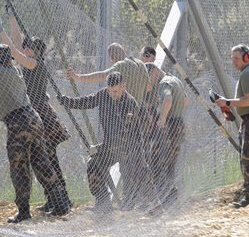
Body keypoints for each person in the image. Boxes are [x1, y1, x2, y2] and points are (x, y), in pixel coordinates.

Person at [0, 24, 71, 222]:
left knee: (19, 168)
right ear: (9, 60)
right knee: (41, 162)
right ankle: (61, 203)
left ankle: (24, 212)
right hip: (34, 119)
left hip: (18, 123)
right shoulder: (13, 71)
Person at [0, 11, 72, 214]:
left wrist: (1, 30)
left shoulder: (35, 64)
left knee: (48, 159)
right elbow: (18, 44)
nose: (25, 48)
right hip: (36, 116)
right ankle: (54, 199)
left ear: (36, 52)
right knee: (45, 158)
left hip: (42, 117)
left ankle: (61, 199)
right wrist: (12, 19)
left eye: (29, 47)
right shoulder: (30, 60)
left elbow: (15, 48)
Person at [58, 72, 146, 212]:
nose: (113, 94)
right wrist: (68, 101)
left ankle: (130, 205)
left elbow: (123, 136)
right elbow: (87, 101)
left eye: (116, 91)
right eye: (111, 91)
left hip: (130, 148)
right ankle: (103, 203)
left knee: (129, 176)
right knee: (93, 165)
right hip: (110, 147)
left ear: (124, 86)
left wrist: (99, 148)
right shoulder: (104, 95)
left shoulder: (130, 104)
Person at [214, 44, 249, 208]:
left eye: (237, 58)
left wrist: (228, 102)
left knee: (248, 161)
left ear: (246, 57)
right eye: (232, 58)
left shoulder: (247, 74)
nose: (234, 62)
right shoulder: (248, 72)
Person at [145, 63, 189, 207]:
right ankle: (171, 197)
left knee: (156, 161)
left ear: (155, 72)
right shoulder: (175, 80)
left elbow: (168, 99)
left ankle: (160, 199)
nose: (149, 81)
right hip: (178, 124)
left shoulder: (164, 83)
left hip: (169, 126)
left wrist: (162, 120)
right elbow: (185, 100)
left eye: (149, 77)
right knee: (170, 163)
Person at [66, 43, 149, 106]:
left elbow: (103, 75)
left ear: (112, 57)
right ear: (124, 51)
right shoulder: (141, 64)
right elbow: (148, 87)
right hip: (139, 110)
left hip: (124, 109)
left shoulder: (121, 65)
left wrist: (77, 77)